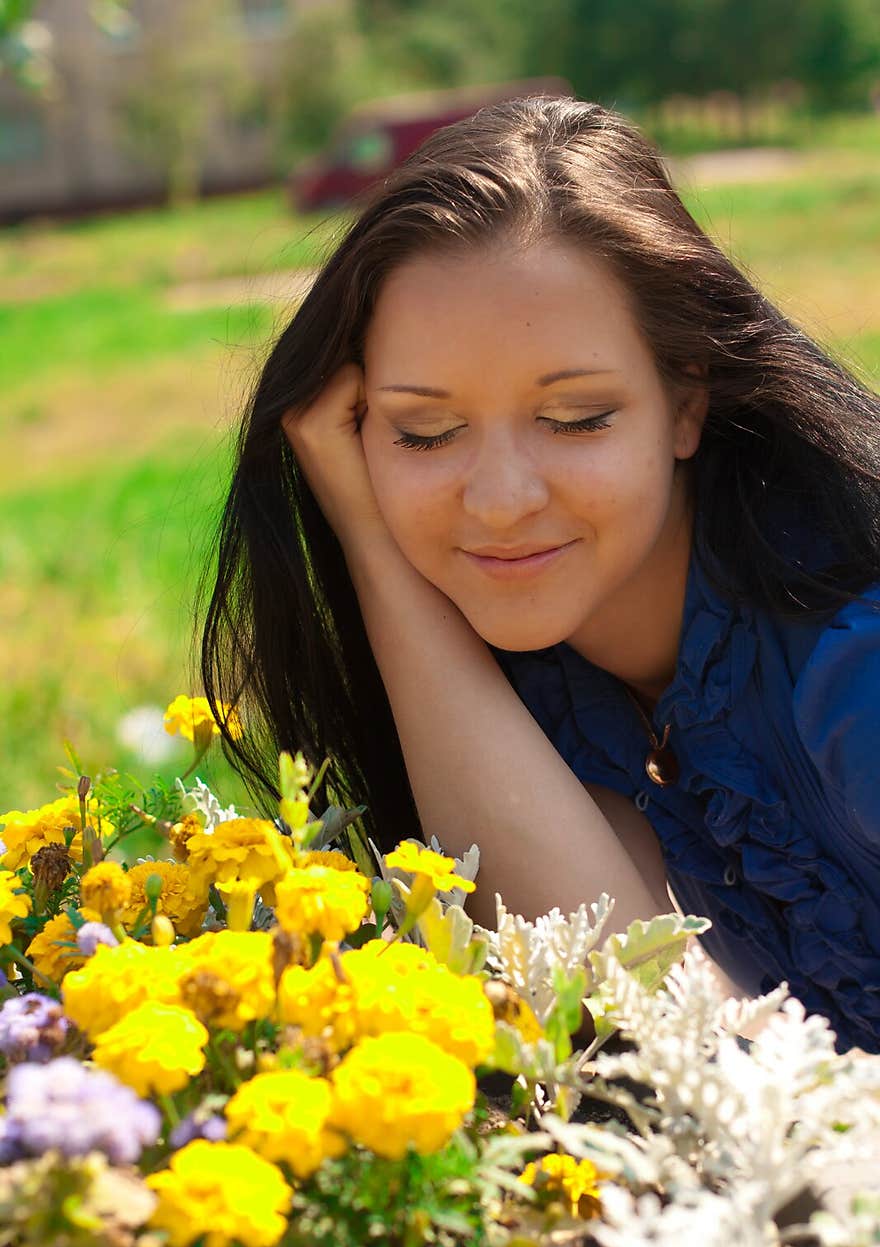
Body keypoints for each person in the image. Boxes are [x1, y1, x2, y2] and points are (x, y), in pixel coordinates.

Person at [201, 96, 880, 1054]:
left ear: (686, 401)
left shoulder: (857, 666)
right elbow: (645, 1027)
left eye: (575, 420)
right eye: (424, 433)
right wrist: (372, 544)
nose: (502, 499)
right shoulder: (544, 702)